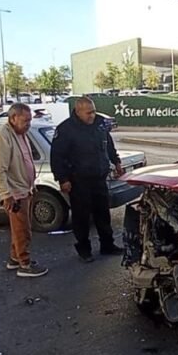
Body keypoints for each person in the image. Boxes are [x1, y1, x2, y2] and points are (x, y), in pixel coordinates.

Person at [51, 97, 124, 263]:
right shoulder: (66, 129)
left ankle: (107, 245)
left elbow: (108, 145)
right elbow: (57, 157)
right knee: (81, 218)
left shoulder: (99, 124)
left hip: (99, 177)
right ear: (78, 112)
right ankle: (84, 249)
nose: (92, 115)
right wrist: (63, 179)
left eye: (93, 111)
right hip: (78, 181)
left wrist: (116, 162)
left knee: (103, 214)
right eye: (88, 113)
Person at [0, 103, 48, 278]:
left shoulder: (20, 133)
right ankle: (25, 264)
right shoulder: (3, 135)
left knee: (20, 228)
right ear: (13, 118)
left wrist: (31, 184)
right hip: (15, 192)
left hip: (24, 188)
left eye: (30, 120)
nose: (28, 124)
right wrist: (6, 195)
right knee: (22, 230)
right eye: (25, 121)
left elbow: (25, 159)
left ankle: (15, 258)